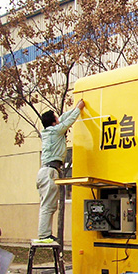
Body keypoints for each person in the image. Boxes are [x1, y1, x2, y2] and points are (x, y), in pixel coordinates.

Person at [35, 99, 85, 242]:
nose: (59, 119)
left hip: (47, 171)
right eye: (56, 118)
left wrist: (75, 107)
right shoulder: (55, 131)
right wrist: (78, 108)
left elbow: (63, 118)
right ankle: (44, 235)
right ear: (53, 122)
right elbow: (67, 122)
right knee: (48, 206)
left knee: (49, 205)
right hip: (49, 172)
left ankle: (45, 234)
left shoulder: (50, 130)